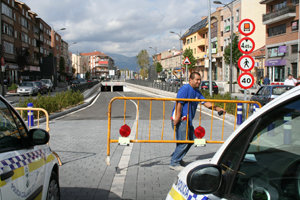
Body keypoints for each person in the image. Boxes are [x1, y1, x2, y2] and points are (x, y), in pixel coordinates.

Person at [169, 72, 225, 171]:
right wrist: (177, 117)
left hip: (188, 121)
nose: (199, 82)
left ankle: (178, 157)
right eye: (197, 80)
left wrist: (218, 109)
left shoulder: (196, 91)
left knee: (190, 140)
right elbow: (179, 103)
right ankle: (174, 163)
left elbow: (205, 103)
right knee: (184, 142)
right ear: (190, 80)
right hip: (181, 119)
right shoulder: (185, 89)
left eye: (200, 80)